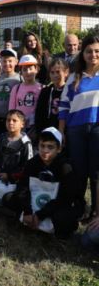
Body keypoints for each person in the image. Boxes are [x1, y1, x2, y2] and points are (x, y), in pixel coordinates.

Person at [2, 128, 85, 238]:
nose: (45, 150)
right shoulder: (32, 163)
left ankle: (57, 232)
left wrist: (41, 215)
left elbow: (65, 198)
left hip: (57, 205)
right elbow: (23, 187)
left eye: (50, 147)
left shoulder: (66, 167)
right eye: (42, 146)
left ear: (59, 149)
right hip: (35, 202)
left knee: (63, 218)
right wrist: (27, 211)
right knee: (8, 198)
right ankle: (29, 220)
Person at [58, 35, 99, 225]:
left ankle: (96, 213)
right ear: (82, 54)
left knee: (96, 173)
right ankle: (80, 207)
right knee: (80, 171)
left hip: (97, 129)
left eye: (97, 51)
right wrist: (61, 131)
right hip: (76, 130)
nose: (93, 55)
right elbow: (64, 106)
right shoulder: (74, 77)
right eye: (89, 51)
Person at [0, 110, 34, 185]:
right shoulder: (2, 137)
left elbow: (27, 167)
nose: (10, 123)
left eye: (14, 120)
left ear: (22, 124)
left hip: (15, 182)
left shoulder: (26, 143)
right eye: (8, 120)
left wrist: (9, 176)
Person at [9, 54, 43, 139]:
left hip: (35, 128)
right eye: (24, 69)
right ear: (21, 72)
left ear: (36, 69)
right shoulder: (16, 89)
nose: (28, 72)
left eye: (31, 68)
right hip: (19, 128)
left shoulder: (42, 88)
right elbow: (11, 111)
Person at [35, 58, 69, 134]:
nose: (55, 75)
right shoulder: (45, 91)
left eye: (58, 72)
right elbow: (39, 113)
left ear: (66, 72)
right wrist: (40, 131)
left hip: (65, 131)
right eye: (52, 72)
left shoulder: (70, 91)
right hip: (47, 130)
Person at [0, 49, 22, 135]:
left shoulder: (19, 79)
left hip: (12, 121)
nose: (7, 64)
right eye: (4, 61)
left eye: (10, 61)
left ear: (16, 62)